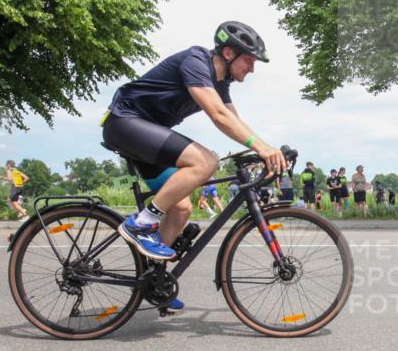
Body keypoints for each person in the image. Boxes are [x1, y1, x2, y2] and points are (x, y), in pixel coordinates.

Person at [101, 21, 282, 313]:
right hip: (125, 123)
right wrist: (262, 148)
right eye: (249, 60)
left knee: (181, 207)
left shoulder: (220, 83)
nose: (252, 68)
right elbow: (218, 115)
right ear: (228, 53)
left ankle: (154, 281)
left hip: (146, 135)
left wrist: (263, 148)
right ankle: (141, 224)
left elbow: (234, 120)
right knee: (205, 161)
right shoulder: (195, 62)